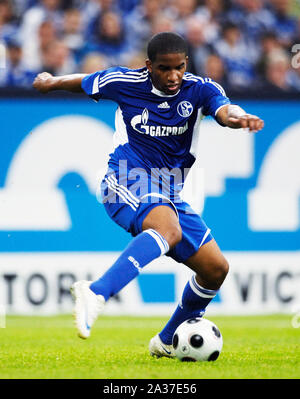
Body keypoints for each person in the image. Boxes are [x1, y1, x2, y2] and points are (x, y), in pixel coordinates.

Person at [33, 32, 264, 358]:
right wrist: (51, 81)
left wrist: (238, 118)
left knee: (215, 269)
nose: (173, 76)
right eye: (164, 68)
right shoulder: (124, 81)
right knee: (168, 230)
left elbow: (224, 109)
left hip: (168, 192)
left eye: (179, 67)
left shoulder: (200, 89)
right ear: (148, 66)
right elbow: (84, 81)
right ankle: (96, 292)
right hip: (125, 179)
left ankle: (167, 341)